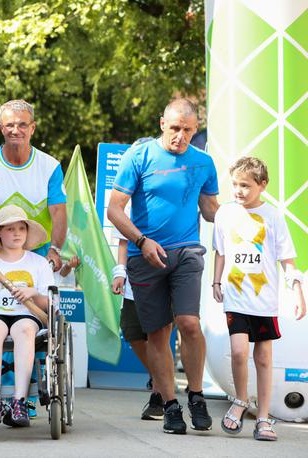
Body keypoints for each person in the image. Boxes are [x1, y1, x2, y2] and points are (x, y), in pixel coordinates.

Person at [107, 98, 220, 435]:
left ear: (195, 129)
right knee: (157, 332)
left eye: (187, 130)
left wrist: (249, 213)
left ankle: (196, 396)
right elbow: (115, 210)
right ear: (162, 124)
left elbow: (212, 210)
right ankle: (170, 405)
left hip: (187, 252)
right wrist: (141, 242)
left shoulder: (203, 162)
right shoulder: (138, 156)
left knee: (188, 322)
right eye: (174, 128)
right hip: (146, 256)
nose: (180, 136)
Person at [213, 157, 306, 440]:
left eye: (246, 185)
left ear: (262, 185)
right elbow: (221, 251)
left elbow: (287, 260)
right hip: (235, 296)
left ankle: (263, 417)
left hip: (264, 299)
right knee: (239, 351)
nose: (239, 191)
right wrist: (216, 281)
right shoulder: (224, 214)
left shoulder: (274, 216)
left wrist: (297, 291)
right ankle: (241, 400)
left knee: (263, 357)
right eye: (235, 185)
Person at [0, 205, 53, 428]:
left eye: (21, 228)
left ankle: (20, 401)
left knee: (25, 330)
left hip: (27, 315)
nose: (16, 233)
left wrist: (33, 293)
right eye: (10, 229)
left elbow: (50, 304)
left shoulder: (39, 263)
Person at [0, 99, 66, 271]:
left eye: (22, 125)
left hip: (39, 255)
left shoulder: (50, 166)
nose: (15, 131)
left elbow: (59, 213)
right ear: (1, 128)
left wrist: (55, 250)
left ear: (32, 128)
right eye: (9, 125)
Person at [111, 237, 165, 420]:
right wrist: (120, 273)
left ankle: (158, 397)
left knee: (158, 338)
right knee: (131, 332)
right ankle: (159, 375)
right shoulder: (125, 210)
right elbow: (123, 243)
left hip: (163, 278)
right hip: (134, 283)